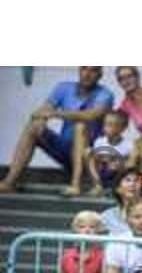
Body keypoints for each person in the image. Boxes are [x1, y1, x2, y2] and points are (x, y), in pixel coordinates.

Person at [0, 66, 114, 194]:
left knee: (80, 126)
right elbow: (42, 111)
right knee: (33, 126)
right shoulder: (64, 88)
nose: (87, 74)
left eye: (93, 71)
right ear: (79, 70)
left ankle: (75, 185)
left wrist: (54, 114)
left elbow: (90, 115)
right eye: (84, 69)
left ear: (100, 74)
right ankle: (9, 183)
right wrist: (40, 120)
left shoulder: (105, 94)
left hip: (89, 157)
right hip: (65, 151)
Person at [86, 110, 134, 197]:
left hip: (118, 174)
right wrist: (106, 159)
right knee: (88, 152)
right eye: (106, 124)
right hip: (103, 173)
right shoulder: (100, 141)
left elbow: (132, 163)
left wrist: (120, 163)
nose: (108, 128)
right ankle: (98, 186)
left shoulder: (128, 144)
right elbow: (96, 159)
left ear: (123, 128)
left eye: (112, 125)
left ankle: (116, 188)